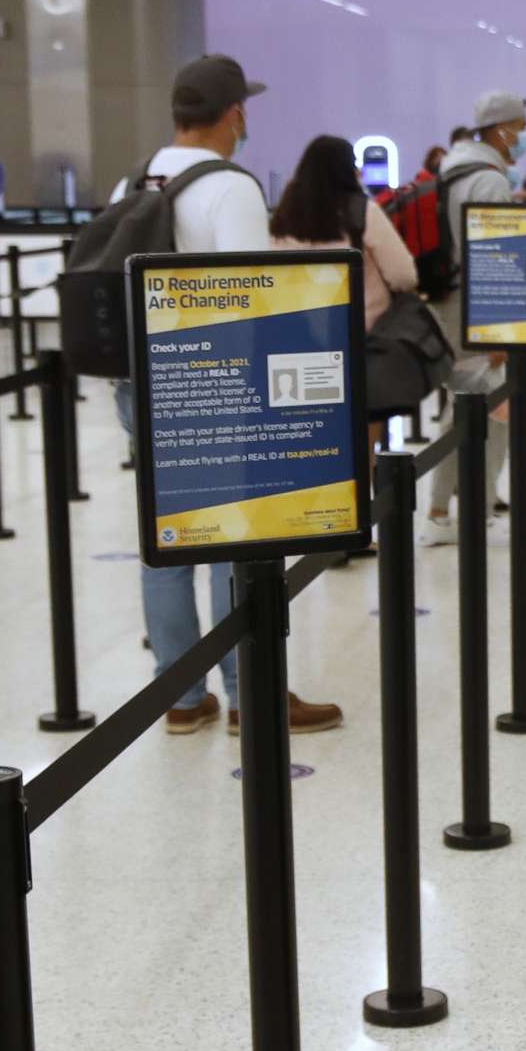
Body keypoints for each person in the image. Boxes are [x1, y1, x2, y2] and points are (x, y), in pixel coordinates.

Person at [107, 54, 342, 738]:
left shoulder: (136, 176)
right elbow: (254, 297)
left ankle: (180, 699)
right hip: (212, 383)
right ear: (236, 114)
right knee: (237, 536)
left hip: (142, 379)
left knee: (167, 536)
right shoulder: (230, 188)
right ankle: (250, 694)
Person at [423, 90, 526, 544]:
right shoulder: (488, 180)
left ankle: (466, 502)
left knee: (469, 403)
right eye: (519, 131)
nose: (520, 141)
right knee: (484, 405)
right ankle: (449, 509)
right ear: (502, 128)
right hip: (479, 308)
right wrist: (500, 329)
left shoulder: (452, 166)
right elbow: (495, 257)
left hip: (448, 303)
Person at [269, 133, 419, 331]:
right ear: (346, 169)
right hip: (363, 334)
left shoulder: (284, 217)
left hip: (301, 331)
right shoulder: (363, 212)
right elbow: (404, 276)